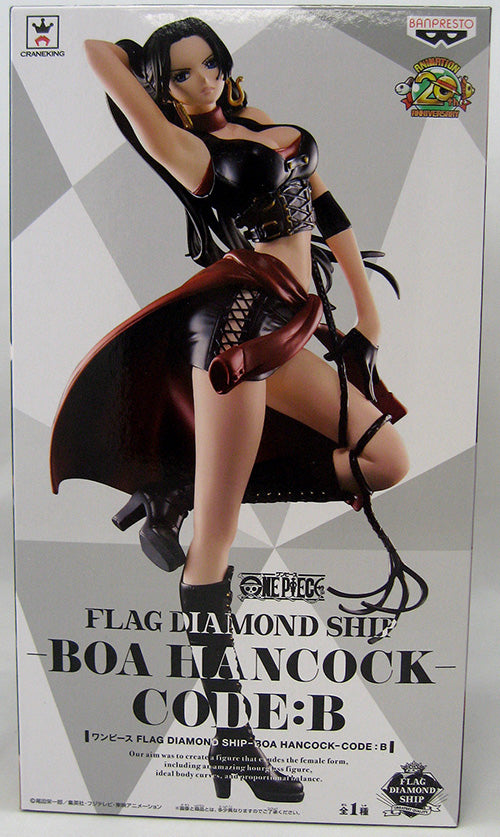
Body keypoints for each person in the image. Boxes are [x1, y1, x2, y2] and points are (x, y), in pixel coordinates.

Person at [50, 17, 425, 802]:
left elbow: (328, 210)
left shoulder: (259, 124)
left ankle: (172, 487)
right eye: (182, 75)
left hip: (289, 322)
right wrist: (147, 76)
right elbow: (95, 52)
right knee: (215, 541)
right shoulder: (182, 151)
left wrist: (367, 312)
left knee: (385, 458)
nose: (204, 81)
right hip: (234, 333)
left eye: (210, 64)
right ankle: (232, 739)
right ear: (161, 89)